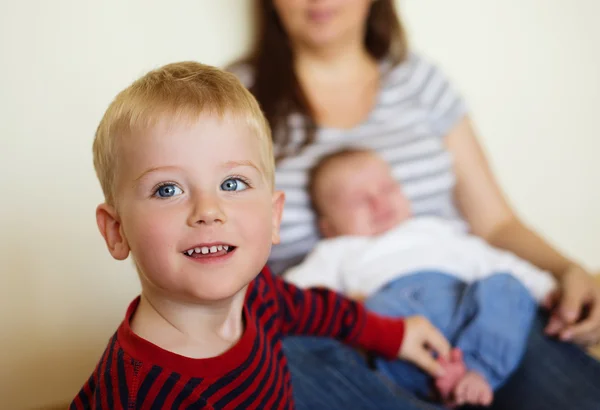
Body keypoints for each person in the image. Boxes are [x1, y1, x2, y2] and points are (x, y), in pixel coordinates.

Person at [228, 0, 600, 408]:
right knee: (281, 361)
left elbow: (495, 225)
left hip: (469, 308)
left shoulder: (418, 82)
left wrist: (567, 272)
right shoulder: (233, 100)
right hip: (341, 337)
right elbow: (233, 269)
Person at [69, 61, 454, 410]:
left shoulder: (259, 295)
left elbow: (315, 309)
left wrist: (393, 334)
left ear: (274, 216)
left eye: (232, 183)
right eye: (167, 189)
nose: (208, 210)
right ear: (117, 232)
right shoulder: (137, 392)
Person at [285, 148, 558, 407]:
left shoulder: (433, 230)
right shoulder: (336, 250)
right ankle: (434, 384)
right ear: (329, 227)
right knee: (372, 314)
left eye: (388, 189)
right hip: (399, 329)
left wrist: (548, 289)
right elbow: (294, 295)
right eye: (359, 200)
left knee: (507, 285)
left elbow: (496, 261)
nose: (378, 203)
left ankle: (479, 370)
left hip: (462, 310)